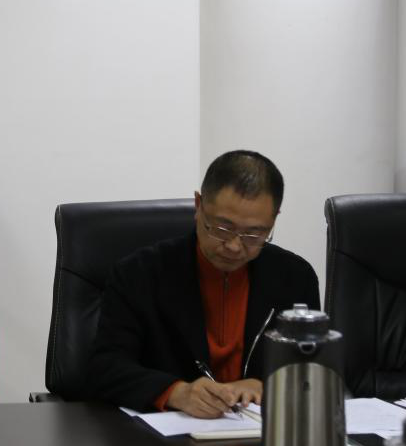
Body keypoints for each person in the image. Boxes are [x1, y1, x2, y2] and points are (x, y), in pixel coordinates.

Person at [88, 150, 319, 417]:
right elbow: (105, 367)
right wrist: (175, 392)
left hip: (260, 431)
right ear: (198, 205)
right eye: (222, 228)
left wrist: (269, 385)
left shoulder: (295, 277)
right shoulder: (139, 273)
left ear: (274, 219)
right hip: (164, 434)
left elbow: (312, 368)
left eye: (254, 234)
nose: (234, 246)